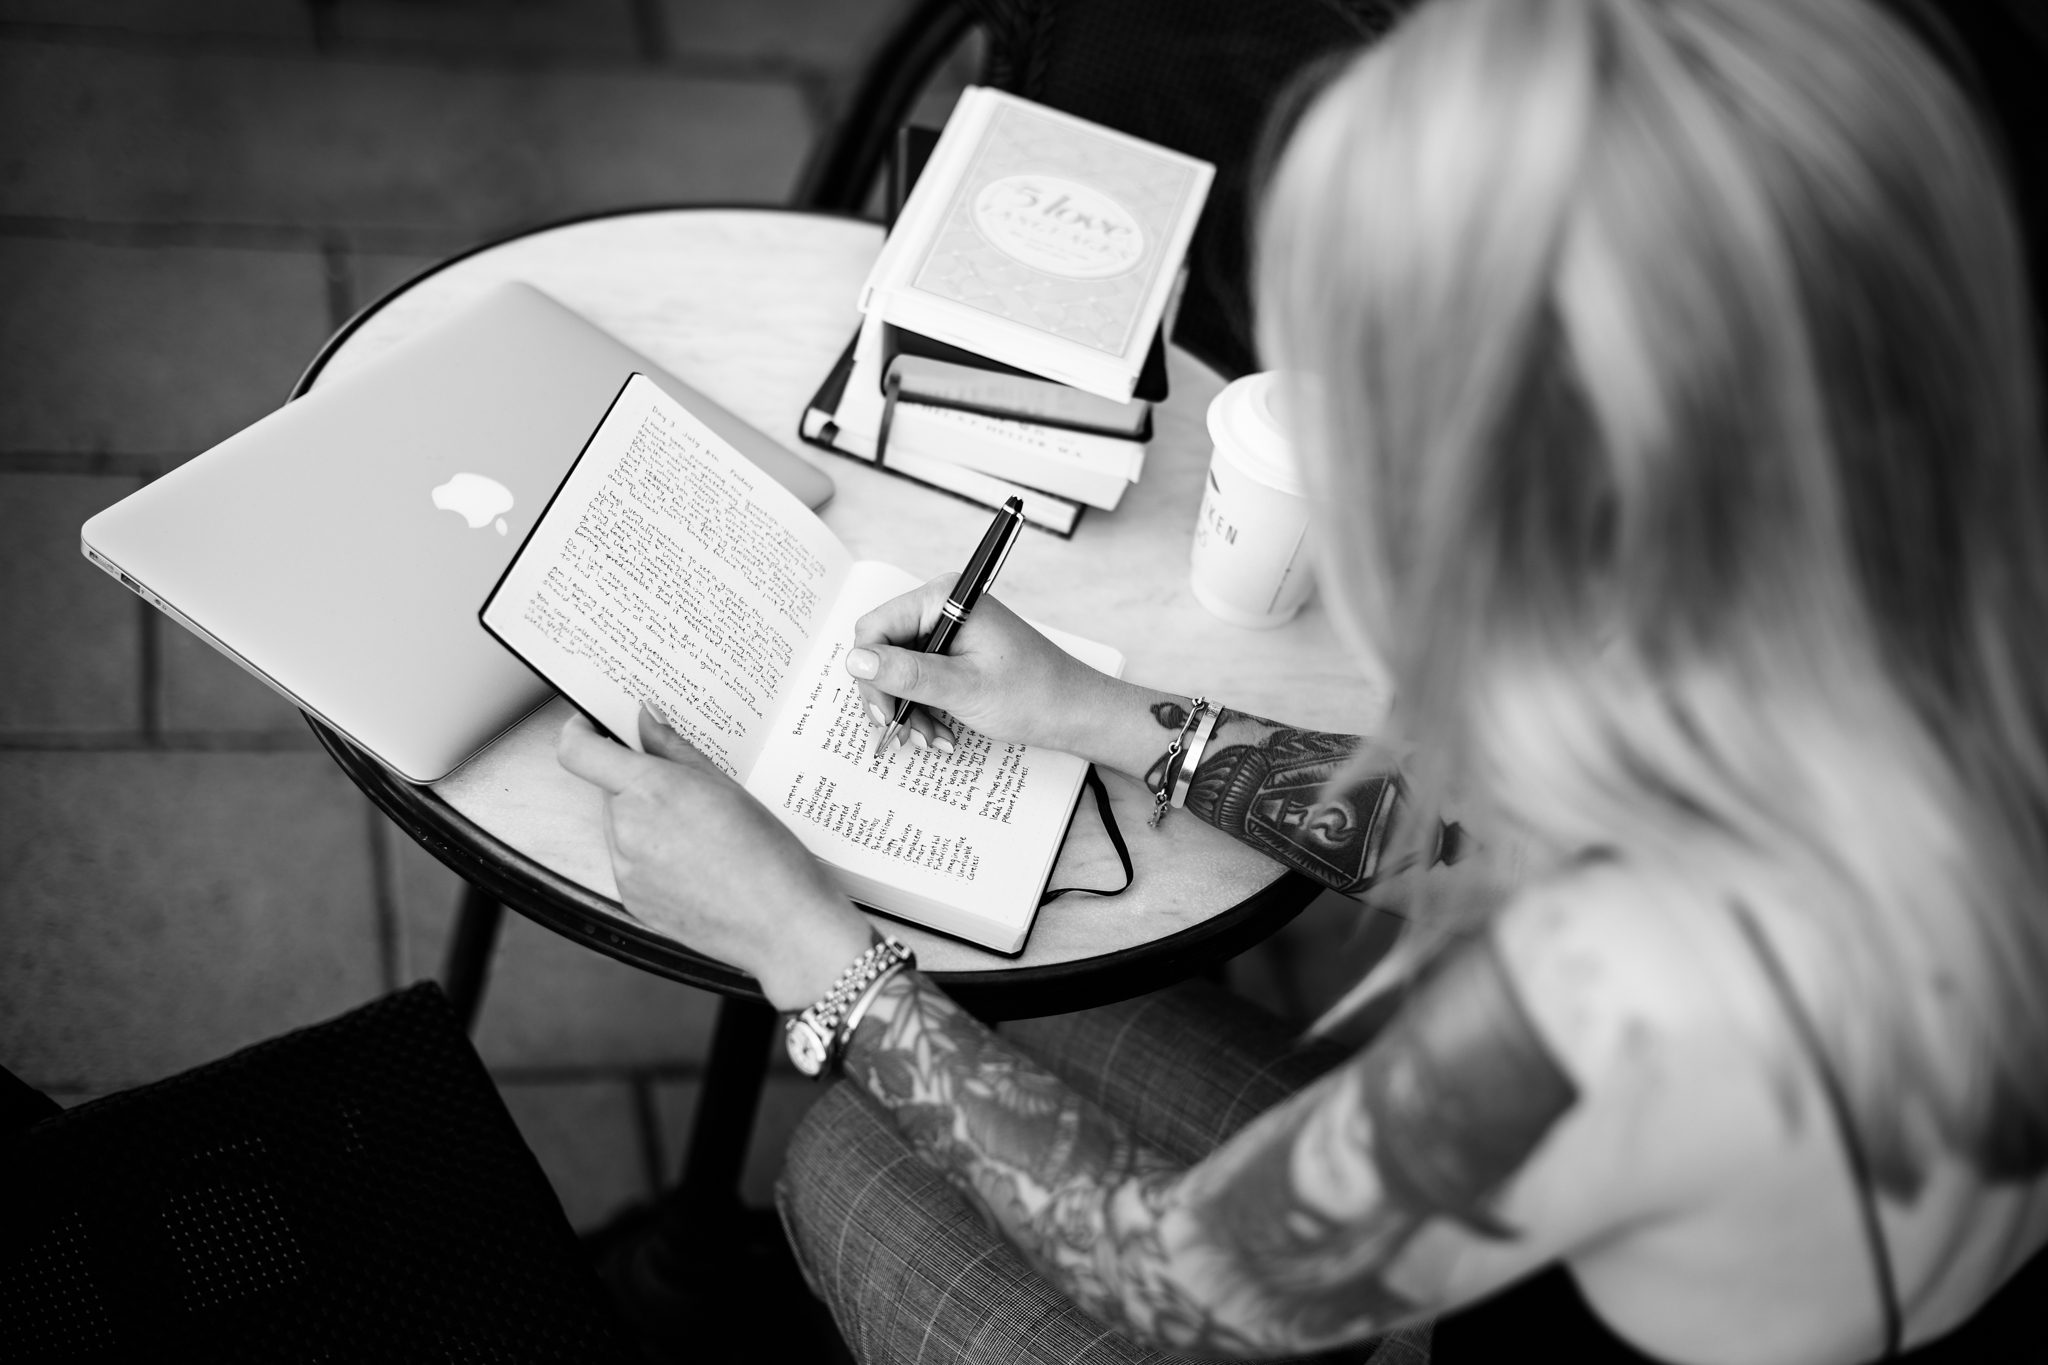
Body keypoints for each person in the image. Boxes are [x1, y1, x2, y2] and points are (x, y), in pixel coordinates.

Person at [555, 0, 2048, 1358]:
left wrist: (807, 949)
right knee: (997, 1027)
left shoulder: (1630, 993)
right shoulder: (1923, 647)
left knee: (844, 1165)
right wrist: (1100, 714)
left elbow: (1173, 1281)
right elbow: (1481, 835)